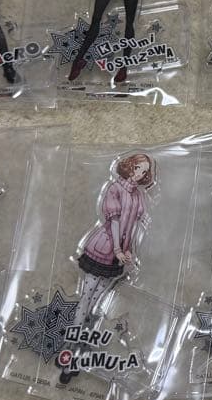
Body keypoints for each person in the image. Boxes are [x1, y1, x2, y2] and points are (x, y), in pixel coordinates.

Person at [59, 152, 154, 384]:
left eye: (144, 171)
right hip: (104, 247)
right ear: (130, 166)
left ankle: (78, 353)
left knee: (95, 305)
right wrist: (119, 248)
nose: (140, 174)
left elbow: (135, 225)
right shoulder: (114, 188)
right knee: (86, 299)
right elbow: (114, 223)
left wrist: (128, 250)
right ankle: (69, 349)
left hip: (118, 254)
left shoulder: (138, 195)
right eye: (138, 168)